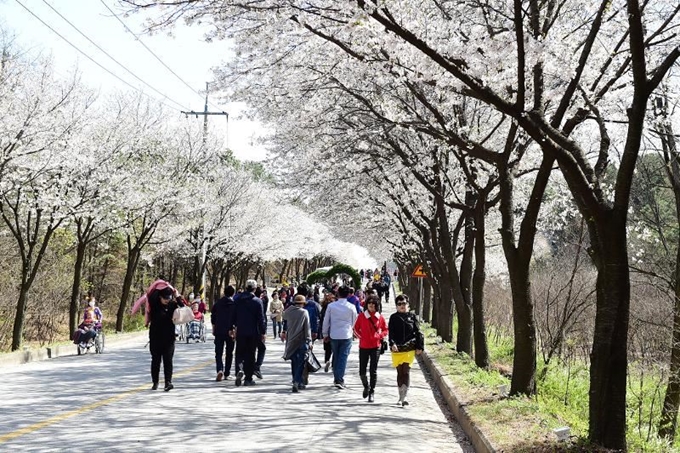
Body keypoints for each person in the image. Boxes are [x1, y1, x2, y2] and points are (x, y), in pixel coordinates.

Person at [388, 294, 424, 406]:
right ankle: (400, 395)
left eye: (404, 303)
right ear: (396, 306)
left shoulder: (412, 317)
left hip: (409, 349)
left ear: (408, 304)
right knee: (399, 372)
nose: (402, 306)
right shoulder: (393, 317)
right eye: (399, 304)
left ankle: (405, 397)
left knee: (406, 371)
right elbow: (391, 333)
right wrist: (392, 344)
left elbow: (418, 332)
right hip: (397, 349)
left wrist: (420, 347)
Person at [148, 285, 185, 391]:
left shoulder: (173, 305)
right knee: (156, 360)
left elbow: (183, 309)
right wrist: (162, 284)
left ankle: (168, 382)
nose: (166, 300)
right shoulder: (154, 304)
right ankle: (155, 382)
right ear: (160, 297)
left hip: (169, 338)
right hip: (155, 337)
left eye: (168, 298)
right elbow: (150, 294)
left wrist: (177, 296)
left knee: (168, 361)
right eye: (164, 298)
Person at [231, 279, 266, 387]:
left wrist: (232, 327)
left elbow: (233, 315)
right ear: (255, 289)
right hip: (253, 332)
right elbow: (261, 318)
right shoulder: (257, 301)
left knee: (239, 353)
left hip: (240, 330)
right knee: (250, 355)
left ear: (246, 288)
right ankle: (248, 378)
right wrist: (263, 332)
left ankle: (239, 370)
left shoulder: (237, 299)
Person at [322, 286, 358, 389]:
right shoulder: (351, 307)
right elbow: (355, 321)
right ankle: (339, 379)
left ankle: (337, 377)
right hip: (346, 334)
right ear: (348, 294)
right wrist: (353, 331)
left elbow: (326, 321)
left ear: (338, 294)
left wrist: (325, 334)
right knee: (343, 357)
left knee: (336, 356)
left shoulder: (331, 306)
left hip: (334, 334)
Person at [353, 295, 388, 402]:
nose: (371, 306)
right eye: (369, 304)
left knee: (373, 371)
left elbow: (385, 330)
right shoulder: (361, 316)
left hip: (375, 347)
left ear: (377, 306)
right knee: (362, 371)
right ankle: (366, 386)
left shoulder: (380, 317)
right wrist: (361, 337)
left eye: (373, 304)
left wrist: (380, 336)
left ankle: (372, 391)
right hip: (363, 346)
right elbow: (355, 329)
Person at [283, 295, 312, 393]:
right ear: (303, 303)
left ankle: (294, 380)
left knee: (294, 362)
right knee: (301, 363)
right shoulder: (304, 312)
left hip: (291, 340)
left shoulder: (289, 311)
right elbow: (307, 328)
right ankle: (297, 381)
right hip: (301, 340)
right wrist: (309, 341)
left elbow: (284, 316)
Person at [212, 285, 236, 381]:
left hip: (219, 330)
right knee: (229, 352)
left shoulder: (218, 303)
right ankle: (227, 373)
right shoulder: (234, 304)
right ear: (233, 293)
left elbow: (213, 317)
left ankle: (219, 369)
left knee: (218, 352)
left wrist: (214, 328)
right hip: (230, 331)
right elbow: (236, 318)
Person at [319, 291, 335, 372]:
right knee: (335, 348)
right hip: (334, 330)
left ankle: (327, 360)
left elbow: (322, 319)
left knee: (327, 348)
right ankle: (334, 363)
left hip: (326, 329)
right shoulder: (334, 307)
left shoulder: (324, 307)